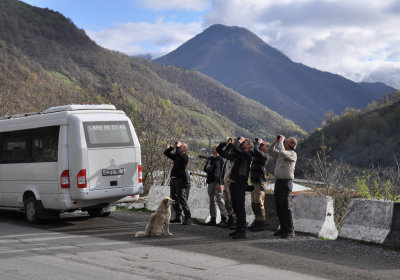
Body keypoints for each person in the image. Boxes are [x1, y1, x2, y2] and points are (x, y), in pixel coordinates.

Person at [268, 135, 298, 238]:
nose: (285, 142)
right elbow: (270, 150)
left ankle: (290, 230)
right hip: (279, 182)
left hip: (286, 182)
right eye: (285, 140)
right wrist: (275, 141)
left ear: (292, 145)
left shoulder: (292, 154)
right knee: (279, 206)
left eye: (287, 141)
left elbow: (282, 152)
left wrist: (280, 141)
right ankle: (283, 228)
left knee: (285, 206)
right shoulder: (281, 153)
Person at [228, 137, 253, 239]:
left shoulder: (248, 155)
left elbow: (237, 149)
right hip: (234, 184)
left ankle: (242, 231)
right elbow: (227, 153)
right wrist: (229, 144)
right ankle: (238, 228)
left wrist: (238, 142)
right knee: (235, 207)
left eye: (245, 143)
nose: (243, 143)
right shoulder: (240, 154)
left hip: (240, 185)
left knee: (240, 207)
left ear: (249, 146)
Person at [163, 141, 191, 225]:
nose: (179, 147)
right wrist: (172, 147)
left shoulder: (185, 157)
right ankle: (178, 216)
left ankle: (188, 217)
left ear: (185, 149)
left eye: (181, 146)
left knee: (181, 198)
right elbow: (166, 153)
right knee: (173, 198)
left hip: (181, 180)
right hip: (173, 179)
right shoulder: (177, 156)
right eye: (180, 146)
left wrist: (177, 147)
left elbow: (179, 153)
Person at [248, 138, 270, 232]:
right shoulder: (257, 155)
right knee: (254, 203)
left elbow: (256, 150)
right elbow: (252, 150)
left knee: (259, 203)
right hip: (254, 181)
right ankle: (257, 220)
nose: (261, 146)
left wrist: (257, 143)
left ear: (266, 148)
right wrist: (254, 144)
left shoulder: (264, 156)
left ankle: (261, 223)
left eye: (263, 145)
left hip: (260, 182)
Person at [203, 145, 227, 226]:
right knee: (211, 201)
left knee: (220, 200)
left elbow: (223, 172)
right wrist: (207, 167)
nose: (214, 149)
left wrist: (221, 183)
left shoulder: (221, 159)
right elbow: (205, 169)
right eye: (213, 148)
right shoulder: (210, 158)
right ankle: (213, 218)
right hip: (210, 181)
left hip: (217, 182)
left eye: (216, 148)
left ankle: (224, 218)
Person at [216, 138, 236, 228]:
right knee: (226, 201)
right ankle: (230, 219)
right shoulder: (229, 154)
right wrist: (225, 143)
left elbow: (227, 154)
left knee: (232, 201)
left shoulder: (236, 154)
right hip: (225, 181)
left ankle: (235, 220)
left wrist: (232, 145)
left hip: (232, 182)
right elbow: (219, 150)